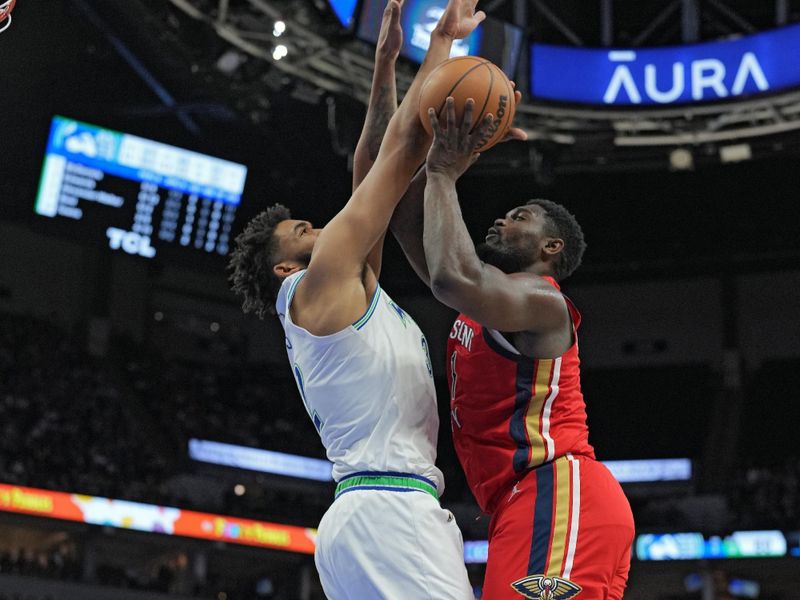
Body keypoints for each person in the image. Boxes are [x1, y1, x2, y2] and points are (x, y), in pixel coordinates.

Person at [227, 1, 485, 597]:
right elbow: (398, 162)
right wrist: (442, 41)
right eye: (304, 232)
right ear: (287, 266)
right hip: (387, 514)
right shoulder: (312, 288)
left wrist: (386, 65)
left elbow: (369, 169)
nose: (323, 227)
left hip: (376, 513)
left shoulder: (345, 292)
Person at [390, 99, 635, 599]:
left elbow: (450, 275)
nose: (501, 220)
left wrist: (443, 171)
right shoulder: (488, 301)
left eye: (519, 217)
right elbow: (404, 223)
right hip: (521, 502)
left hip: (557, 488)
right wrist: (434, 142)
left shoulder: (545, 302)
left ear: (552, 248)